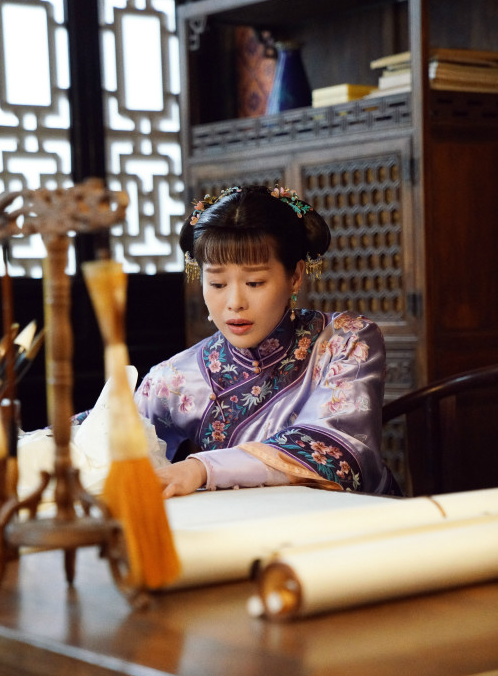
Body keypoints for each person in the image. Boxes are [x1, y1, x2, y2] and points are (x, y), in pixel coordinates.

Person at [134, 184, 399, 499]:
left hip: (352, 519)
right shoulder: (177, 377)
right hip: (242, 525)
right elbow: (110, 438)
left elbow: (338, 451)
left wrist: (203, 468)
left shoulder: (345, 340)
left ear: (295, 276)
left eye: (254, 282)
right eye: (217, 283)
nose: (234, 303)